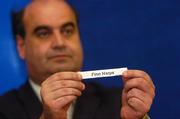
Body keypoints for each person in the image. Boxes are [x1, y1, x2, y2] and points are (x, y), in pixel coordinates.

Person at [0, 0, 155, 119]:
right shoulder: (4, 109)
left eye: (67, 31)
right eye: (43, 33)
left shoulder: (119, 101)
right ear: (21, 46)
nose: (59, 43)